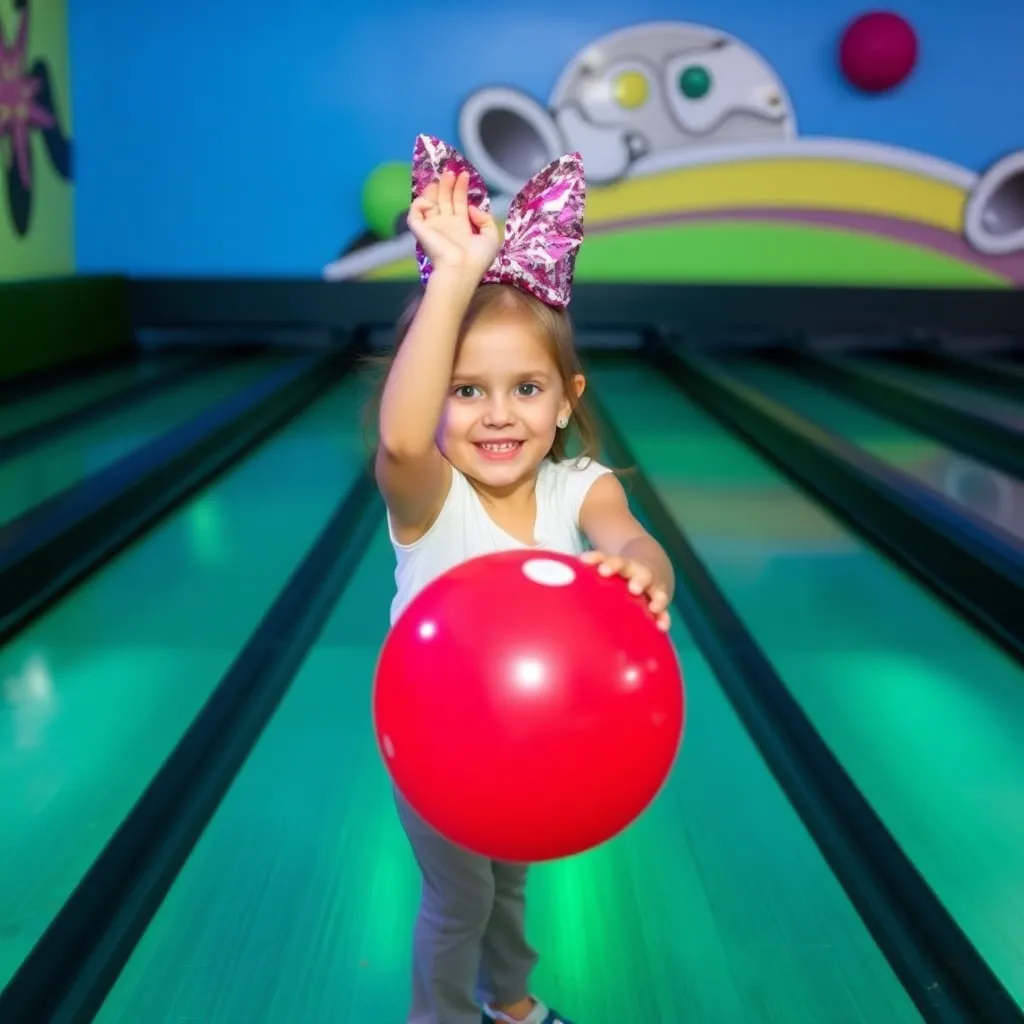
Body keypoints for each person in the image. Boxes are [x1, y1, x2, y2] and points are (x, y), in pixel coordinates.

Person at [371, 135, 676, 1024]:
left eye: (526, 389)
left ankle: (509, 1003)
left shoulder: (580, 485)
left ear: (568, 397)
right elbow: (400, 439)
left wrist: (639, 573)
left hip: (538, 745)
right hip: (437, 745)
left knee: (509, 882)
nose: (498, 415)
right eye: (465, 390)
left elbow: (635, 538)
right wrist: (455, 277)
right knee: (459, 899)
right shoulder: (431, 499)